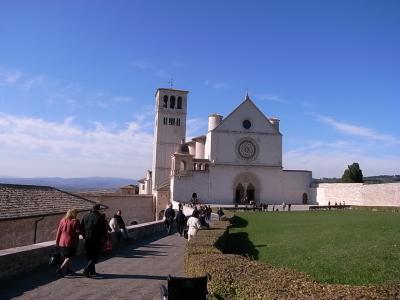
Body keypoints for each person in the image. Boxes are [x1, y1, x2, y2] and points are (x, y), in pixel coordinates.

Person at [81, 204, 105, 277]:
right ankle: (86, 270)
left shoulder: (85, 216)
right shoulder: (100, 217)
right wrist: (103, 238)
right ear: (99, 208)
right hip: (96, 239)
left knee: (89, 255)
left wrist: (84, 236)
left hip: (87, 239)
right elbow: (103, 229)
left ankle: (92, 271)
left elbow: (81, 227)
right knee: (95, 256)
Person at [55, 208, 81, 277]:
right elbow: (77, 232)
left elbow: (59, 231)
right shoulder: (76, 221)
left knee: (65, 257)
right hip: (71, 242)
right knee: (70, 257)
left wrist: (57, 241)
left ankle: (68, 270)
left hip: (61, 241)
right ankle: (60, 270)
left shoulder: (62, 220)